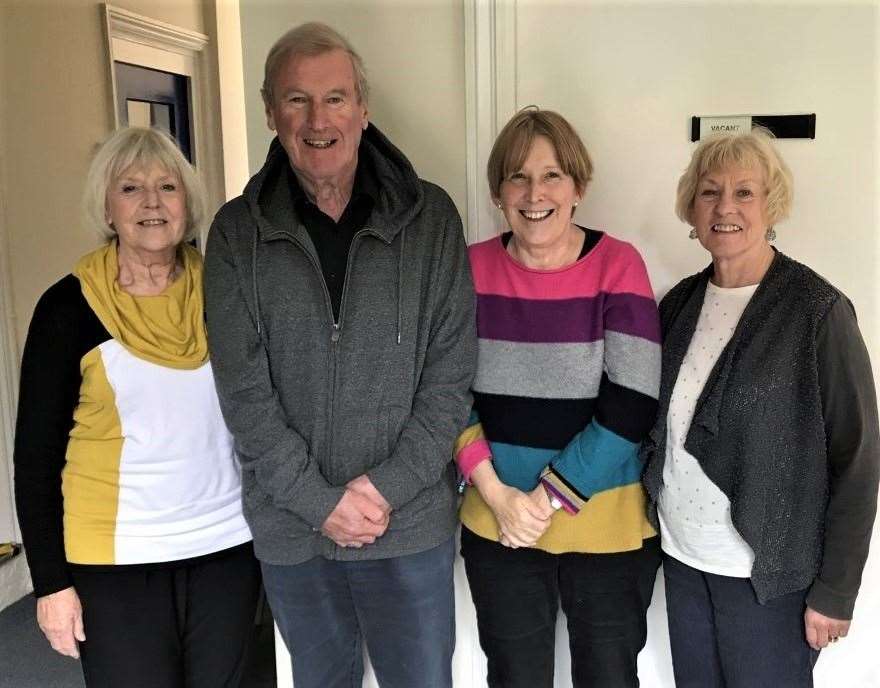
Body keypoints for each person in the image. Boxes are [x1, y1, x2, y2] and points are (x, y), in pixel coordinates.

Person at [203, 22, 476, 688]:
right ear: (271, 111)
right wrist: (317, 501)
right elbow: (244, 395)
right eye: (297, 100)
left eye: (335, 97)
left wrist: (380, 489)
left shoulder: (431, 219)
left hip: (408, 525)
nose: (318, 119)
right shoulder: (236, 234)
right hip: (296, 533)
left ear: (362, 107)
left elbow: (450, 381)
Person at [13, 127, 259, 688]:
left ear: (188, 204)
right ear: (107, 206)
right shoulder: (67, 308)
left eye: (168, 187)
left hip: (224, 546)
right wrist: (51, 583)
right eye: (131, 188)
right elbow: (35, 459)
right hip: (114, 560)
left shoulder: (225, 291)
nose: (152, 202)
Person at [641, 128, 880, 687]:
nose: (725, 207)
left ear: (771, 204)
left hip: (768, 578)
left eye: (744, 192)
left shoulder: (816, 311)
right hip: (684, 562)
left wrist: (837, 591)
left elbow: (859, 457)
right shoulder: (678, 305)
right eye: (709, 192)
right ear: (692, 209)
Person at [455, 107, 662, 688]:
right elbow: (444, 393)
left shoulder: (617, 264)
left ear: (578, 187)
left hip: (606, 531)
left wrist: (543, 502)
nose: (534, 192)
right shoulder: (469, 269)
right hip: (499, 529)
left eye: (551, 176)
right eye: (517, 177)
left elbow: (633, 400)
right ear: (499, 193)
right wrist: (497, 496)